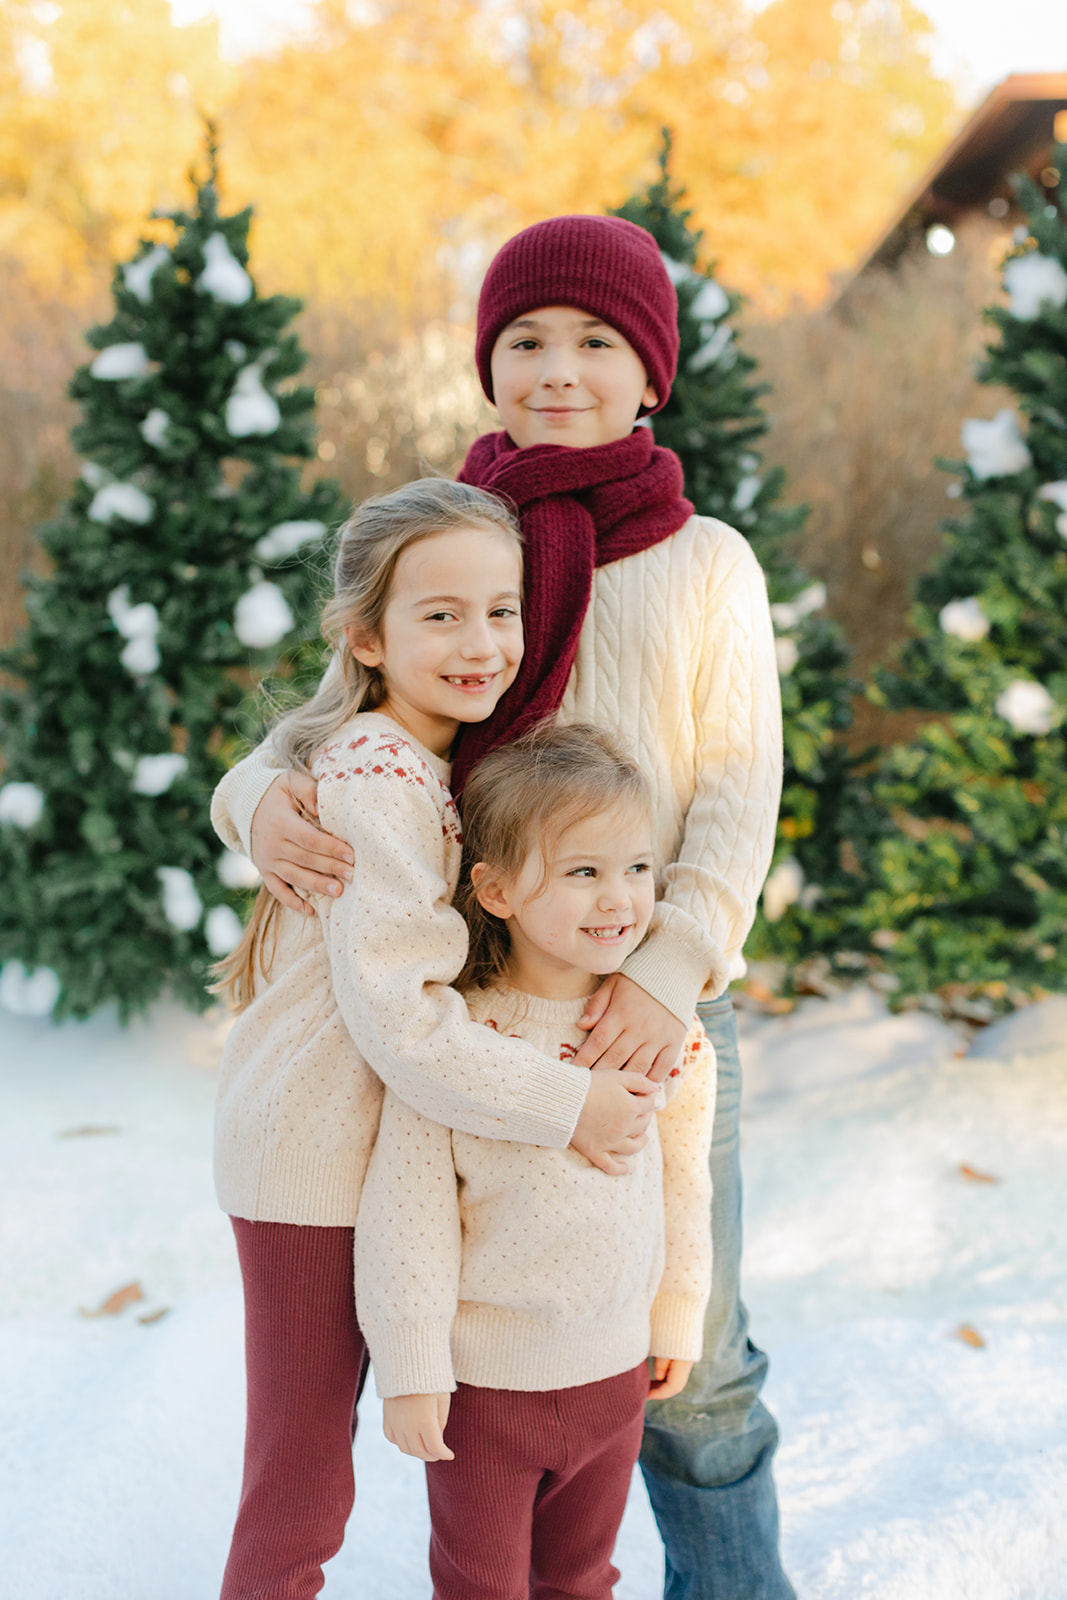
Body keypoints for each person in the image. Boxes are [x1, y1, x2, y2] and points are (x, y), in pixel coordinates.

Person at [213, 216, 793, 1600]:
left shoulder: (704, 563)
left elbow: (731, 793)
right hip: (476, 1024)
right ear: (487, 363)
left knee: (684, 1363)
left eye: (595, 342)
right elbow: (346, 707)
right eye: (525, 340)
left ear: (648, 370)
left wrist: (665, 974)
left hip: (639, 1007)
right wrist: (247, 800)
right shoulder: (471, 537)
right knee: (492, 1356)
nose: (556, 369)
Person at [210, 477, 657, 1600]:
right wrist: (571, 1104)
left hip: (369, 1148)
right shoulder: (377, 773)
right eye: (440, 614)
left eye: (500, 611)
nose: (481, 642)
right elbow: (404, 1018)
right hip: (311, 1161)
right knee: (301, 1486)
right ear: (366, 634)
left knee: (308, 1482)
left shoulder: (423, 761)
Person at [355, 720, 716, 1600]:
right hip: (487, 1393)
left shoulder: (661, 1031)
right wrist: (410, 1371)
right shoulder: (457, 1040)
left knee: (582, 1579)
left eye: (636, 869)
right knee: (480, 1587)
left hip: (612, 1379)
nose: (620, 899)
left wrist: (675, 1315)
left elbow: (682, 1182)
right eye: (583, 872)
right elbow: (407, 1220)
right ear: (498, 890)